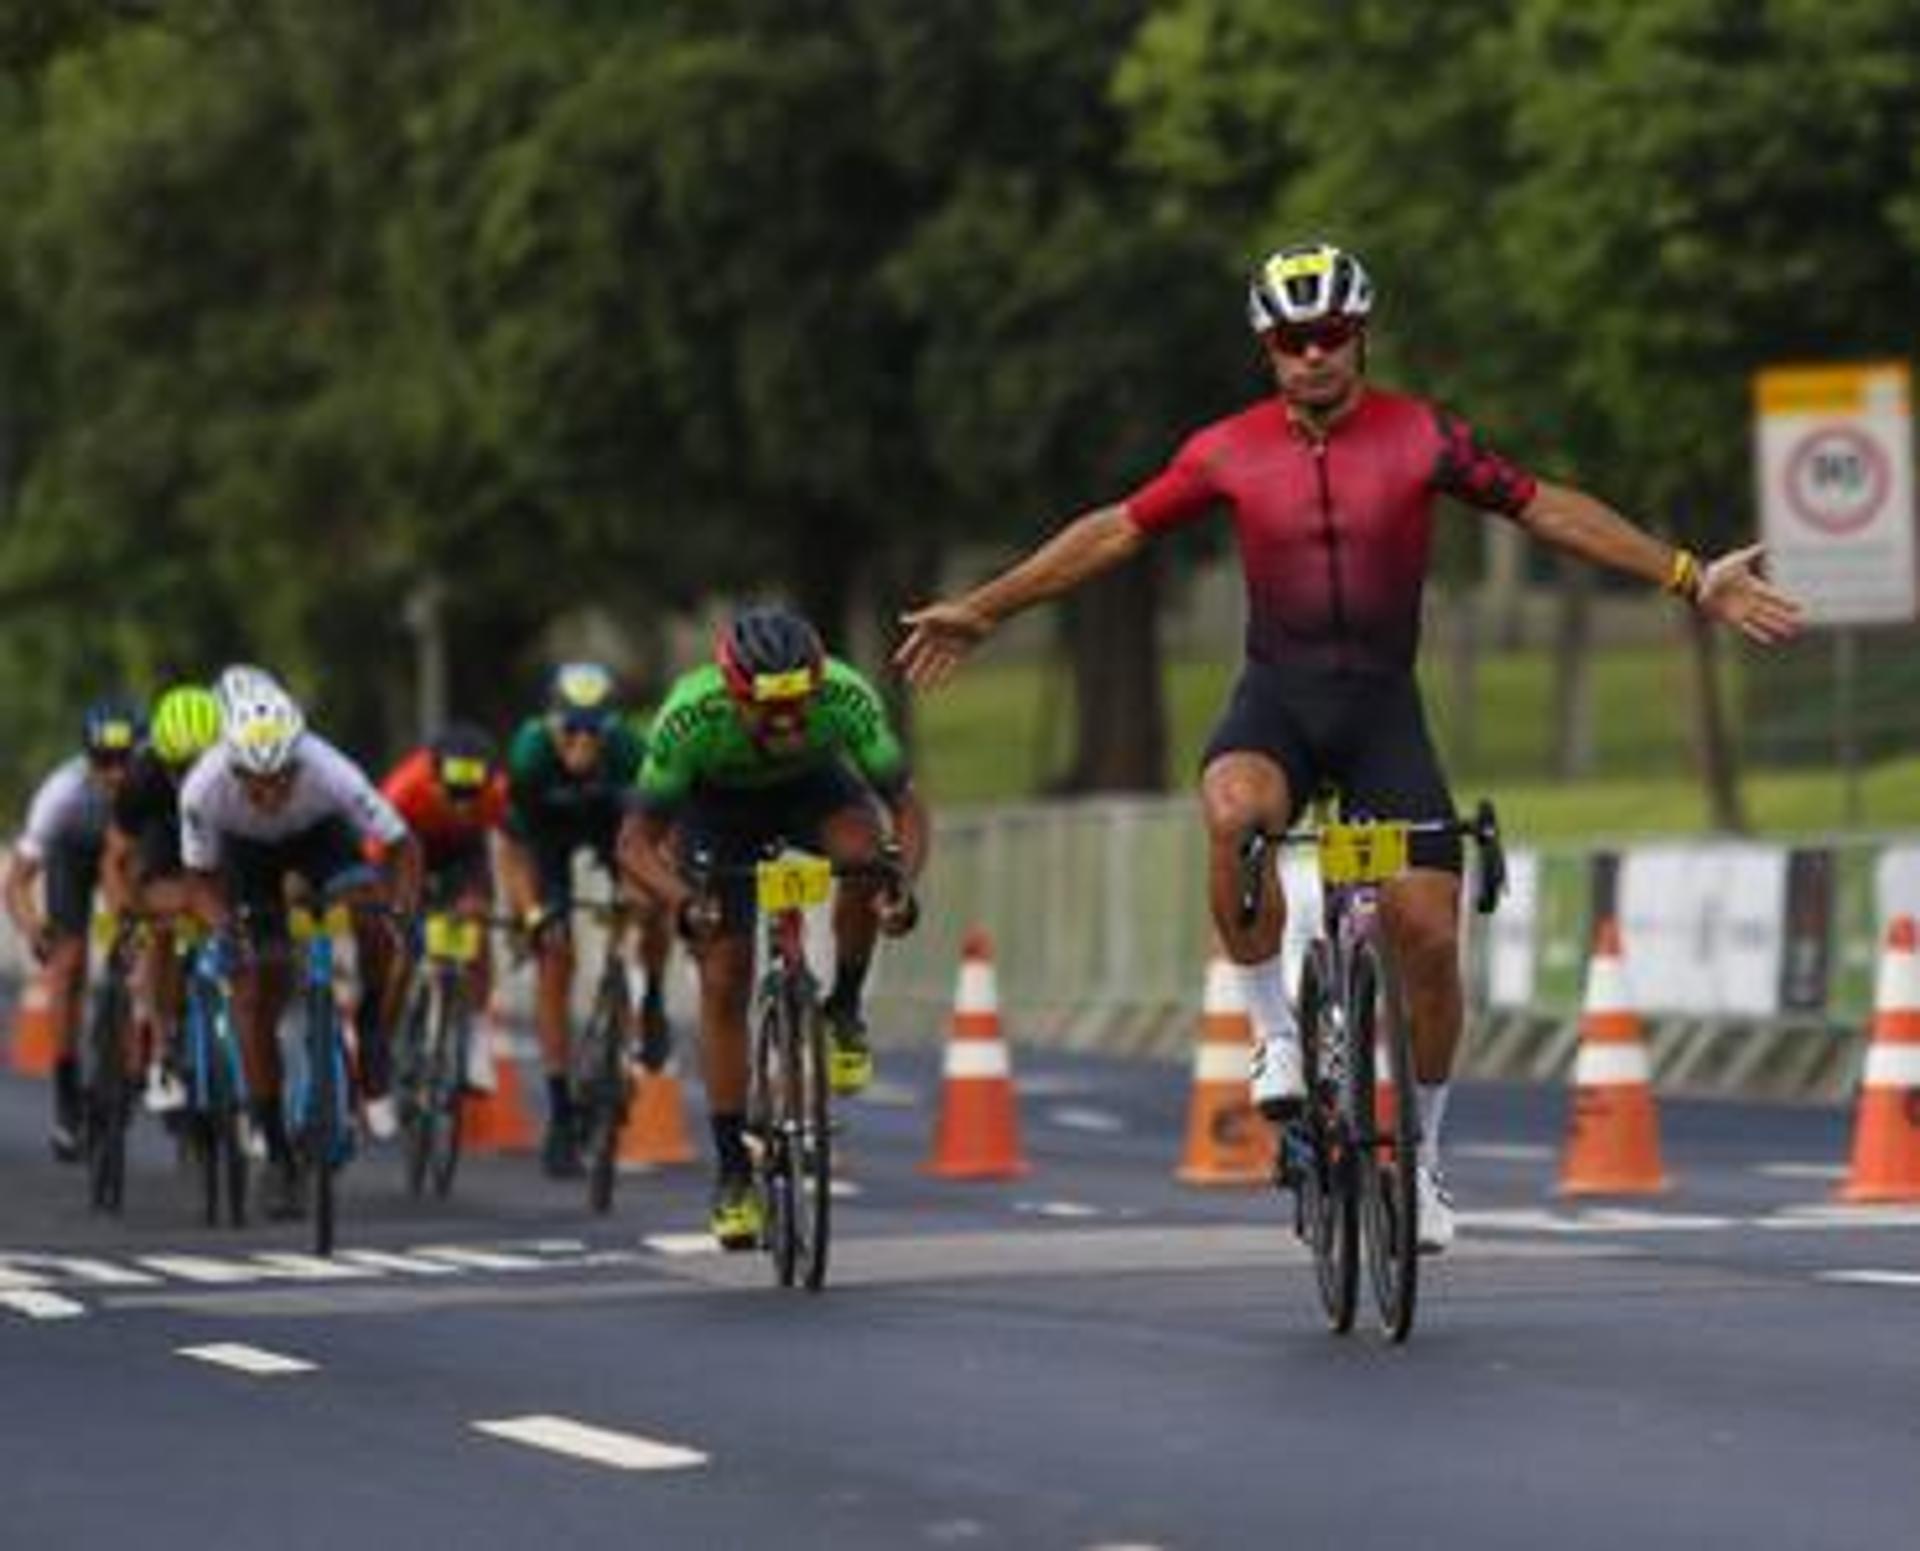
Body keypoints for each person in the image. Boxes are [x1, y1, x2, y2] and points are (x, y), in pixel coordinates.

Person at [895, 240, 1802, 1253]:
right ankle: (1277, 1036)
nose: (1313, 354)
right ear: (1267, 349)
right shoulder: (1226, 450)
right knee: (1236, 816)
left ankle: (1423, 1163)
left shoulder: (1419, 437)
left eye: (1330, 335)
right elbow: (1114, 531)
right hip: (1277, 703)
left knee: (1426, 933)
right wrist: (985, 608)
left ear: (1360, 337)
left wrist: (1689, 575)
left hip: (1380, 716)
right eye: (1292, 338)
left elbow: (1545, 508)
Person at [619, 606, 928, 1249]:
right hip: (715, 810)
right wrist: (682, 900)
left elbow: (905, 805)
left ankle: (842, 1009)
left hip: (813, 790)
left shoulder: (845, 694)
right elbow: (635, 844)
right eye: (768, 707)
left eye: (800, 703)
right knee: (724, 975)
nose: (788, 720)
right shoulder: (689, 716)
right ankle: (733, 1173)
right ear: (734, 694)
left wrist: (901, 886)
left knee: (868, 860)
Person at [179, 666, 422, 1218]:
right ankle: (277, 1151)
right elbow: (199, 878)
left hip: (320, 840)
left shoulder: (330, 769)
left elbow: (403, 844)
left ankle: (371, 1029)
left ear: (299, 759)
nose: (267, 793)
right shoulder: (203, 787)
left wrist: (402, 911)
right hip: (245, 858)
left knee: (371, 915)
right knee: (252, 992)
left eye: (281, 778)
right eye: (253, 782)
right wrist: (224, 926)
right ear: (231, 764)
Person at [502, 662, 672, 1179]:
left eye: (592, 730)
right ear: (550, 725)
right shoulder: (529, 753)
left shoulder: (628, 751)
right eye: (569, 730)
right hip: (547, 840)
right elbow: (513, 850)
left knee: (655, 902)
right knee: (555, 953)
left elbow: (657, 838)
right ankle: (559, 1113)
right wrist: (532, 913)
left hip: (613, 830)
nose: (581, 742)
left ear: (610, 728)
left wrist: (642, 891)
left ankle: (653, 1000)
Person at [4, 699, 144, 1160]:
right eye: (104, 762)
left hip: (126, 858)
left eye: (125, 760)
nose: (117, 774)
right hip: (72, 856)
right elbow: (18, 881)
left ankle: (144, 1057)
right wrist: (34, 929)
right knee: (68, 964)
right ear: (87, 758)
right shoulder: (60, 793)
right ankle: (67, 1098)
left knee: (142, 946)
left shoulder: (151, 785)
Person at [99, 681, 226, 1113]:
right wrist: (127, 914)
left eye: (200, 764)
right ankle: (164, 1047)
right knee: (161, 929)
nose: (189, 776)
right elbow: (115, 860)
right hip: (164, 844)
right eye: (179, 766)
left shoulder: (235, 771)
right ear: (159, 755)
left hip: (219, 844)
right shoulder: (142, 778)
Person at [378, 722, 508, 1084]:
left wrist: (490, 903)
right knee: (403, 949)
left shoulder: (497, 793)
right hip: (409, 846)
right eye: (453, 795)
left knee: (477, 927)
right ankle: (381, 1043)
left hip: (464, 854)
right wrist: (393, 904)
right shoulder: (405, 787)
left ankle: (478, 1039)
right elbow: (376, 852)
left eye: (473, 796)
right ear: (434, 780)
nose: (463, 806)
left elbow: (514, 849)